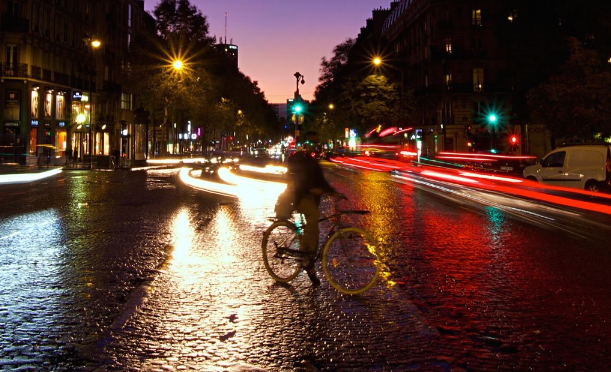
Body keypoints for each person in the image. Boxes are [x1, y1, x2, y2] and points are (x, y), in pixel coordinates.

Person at [285, 131, 337, 286]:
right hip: (299, 197)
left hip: (310, 198)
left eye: (315, 143)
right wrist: (310, 189)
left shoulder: (313, 161)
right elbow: (295, 180)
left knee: (314, 230)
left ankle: (310, 264)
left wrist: (334, 192)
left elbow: (321, 180)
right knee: (314, 217)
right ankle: (306, 257)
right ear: (304, 144)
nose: (313, 146)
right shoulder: (297, 159)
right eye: (311, 143)